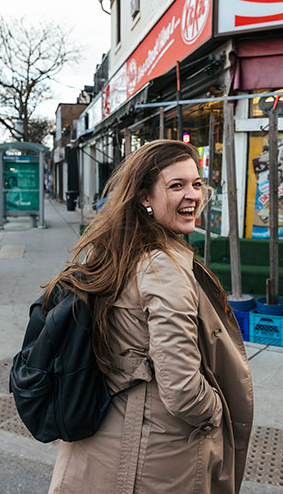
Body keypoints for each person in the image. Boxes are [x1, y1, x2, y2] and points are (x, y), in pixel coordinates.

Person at [46, 139, 254, 494]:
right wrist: (216, 413)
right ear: (144, 197)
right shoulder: (162, 266)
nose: (192, 195)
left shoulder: (112, 248)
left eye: (196, 183)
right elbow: (182, 388)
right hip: (154, 451)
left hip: (104, 436)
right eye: (177, 185)